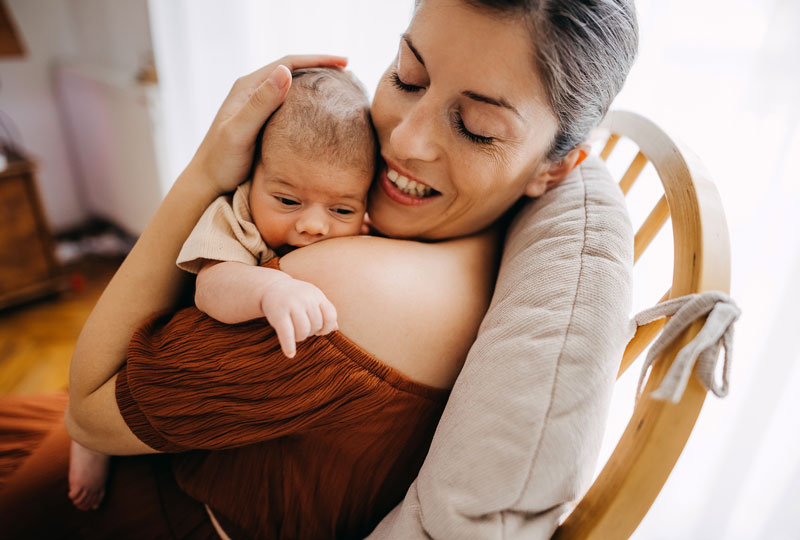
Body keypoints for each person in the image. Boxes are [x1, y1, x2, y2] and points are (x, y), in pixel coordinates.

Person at [0, 0, 638, 537]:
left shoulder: (342, 293)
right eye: (408, 77)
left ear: (554, 167)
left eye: (474, 127)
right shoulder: (447, 239)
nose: (404, 139)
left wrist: (205, 170)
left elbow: (89, 412)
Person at [65, 67, 378, 512]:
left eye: (341, 208)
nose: (312, 224)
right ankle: (87, 441)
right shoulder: (235, 215)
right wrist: (269, 288)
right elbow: (213, 286)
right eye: (287, 201)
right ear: (252, 176)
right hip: (151, 344)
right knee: (103, 397)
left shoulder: (358, 228)